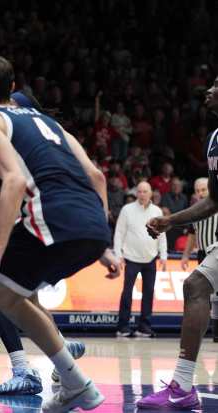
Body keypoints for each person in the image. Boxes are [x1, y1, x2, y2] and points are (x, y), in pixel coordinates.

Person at [0, 56, 117, 412]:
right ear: (13, 88)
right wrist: (104, 244)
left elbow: (14, 180)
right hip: (92, 224)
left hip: (52, 216)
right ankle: (77, 384)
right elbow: (96, 176)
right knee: (15, 294)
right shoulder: (47, 122)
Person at [139, 77, 218, 410]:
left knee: (196, 286)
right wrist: (171, 220)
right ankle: (182, 387)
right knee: (195, 286)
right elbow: (215, 199)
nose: (209, 91)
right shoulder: (214, 140)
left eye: (217, 85)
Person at [114, 181, 167, 338]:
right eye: (140, 191)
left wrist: (163, 255)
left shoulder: (157, 211)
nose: (142, 194)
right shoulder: (127, 210)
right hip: (131, 258)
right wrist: (118, 254)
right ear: (136, 193)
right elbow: (119, 233)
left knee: (149, 293)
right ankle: (122, 326)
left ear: (151, 193)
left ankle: (144, 327)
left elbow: (162, 235)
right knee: (127, 292)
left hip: (150, 258)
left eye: (145, 192)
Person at [180, 177, 218, 343]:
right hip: (202, 254)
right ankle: (210, 332)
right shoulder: (194, 210)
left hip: (216, 252)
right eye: (198, 190)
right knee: (205, 294)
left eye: (204, 189)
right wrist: (186, 255)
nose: (201, 193)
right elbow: (192, 234)